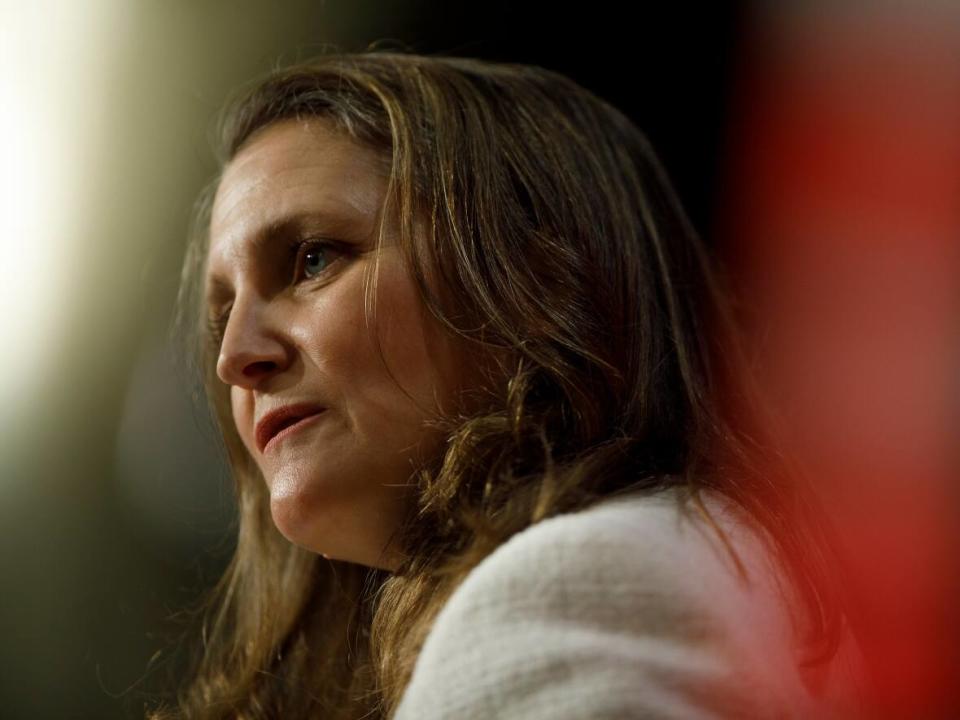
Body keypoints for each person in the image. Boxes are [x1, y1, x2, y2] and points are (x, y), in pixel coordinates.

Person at [150, 51, 864, 719]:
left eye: (311, 260)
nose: (236, 358)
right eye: (221, 318)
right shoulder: (708, 560)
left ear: (540, 277)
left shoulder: (574, 589)